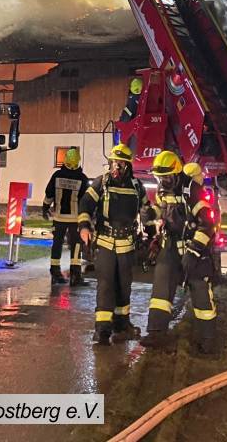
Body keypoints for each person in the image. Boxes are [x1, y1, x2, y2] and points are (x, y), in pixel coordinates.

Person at [141, 152, 218, 354]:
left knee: (200, 291)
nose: (163, 181)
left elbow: (208, 224)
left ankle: (207, 340)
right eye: (159, 177)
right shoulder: (163, 188)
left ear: (176, 174)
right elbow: (162, 209)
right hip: (170, 246)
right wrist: (150, 214)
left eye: (166, 177)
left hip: (194, 248)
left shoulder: (192, 190)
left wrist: (194, 251)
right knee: (161, 288)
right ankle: (156, 332)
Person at [78, 143, 149, 345]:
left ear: (128, 166)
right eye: (113, 163)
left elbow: (147, 210)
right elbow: (85, 204)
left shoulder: (137, 186)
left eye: (120, 164)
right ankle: (102, 330)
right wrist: (84, 226)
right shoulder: (102, 183)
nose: (115, 167)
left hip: (127, 243)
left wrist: (152, 234)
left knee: (124, 286)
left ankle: (122, 325)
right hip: (105, 242)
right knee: (106, 285)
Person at [42, 147, 89, 286]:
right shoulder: (82, 178)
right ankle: (75, 276)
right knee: (76, 246)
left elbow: (49, 194)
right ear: (78, 161)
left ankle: (55, 274)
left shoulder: (57, 175)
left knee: (57, 245)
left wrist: (45, 208)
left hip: (59, 218)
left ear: (65, 160)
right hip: (75, 219)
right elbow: (86, 200)